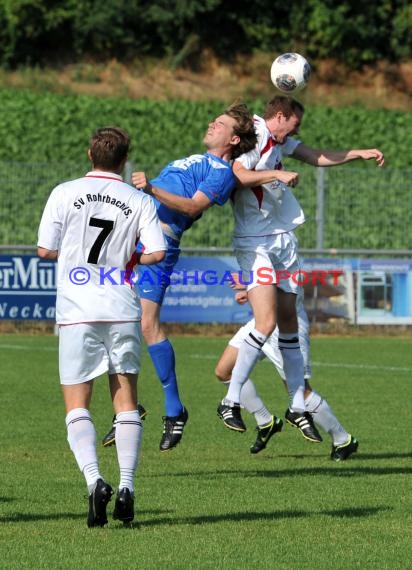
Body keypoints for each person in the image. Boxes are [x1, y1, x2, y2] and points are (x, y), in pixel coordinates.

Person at [217, 94, 384, 440]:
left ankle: (295, 404)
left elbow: (317, 157)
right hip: (255, 238)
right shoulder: (258, 135)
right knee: (266, 322)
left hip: (282, 239)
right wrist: (277, 172)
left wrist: (358, 153)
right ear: (280, 115)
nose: (297, 130)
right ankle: (231, 400)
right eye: (295, 122)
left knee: (288, 323)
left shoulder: (281, 141)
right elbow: (237, 175)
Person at [101, 101, 258, 452]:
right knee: (110, 322)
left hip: (159, 242)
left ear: (233, 140)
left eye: (219, 123)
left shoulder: (221, 172)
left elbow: (192, 207)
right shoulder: (192, 158)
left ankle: (172, 410)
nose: (211, 124)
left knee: (146, 325)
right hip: (130, 241)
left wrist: (151, 189)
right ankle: (131, 408)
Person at [37, 127, 167, 527]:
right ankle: (127, 485)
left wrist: (70, 256)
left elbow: (44, 249)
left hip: (77, 309)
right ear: (125, 160)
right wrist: (127, 260)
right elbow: (158, 252)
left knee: (78, 403)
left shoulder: (64, 191)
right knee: (125, 400)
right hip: (121, 307)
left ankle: (96, 482)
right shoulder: (138, 199)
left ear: (89, 153)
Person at [216, 278, 359, 461]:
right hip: (262, 321)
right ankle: (265, 421)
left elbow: (285, 282)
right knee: (224, 370)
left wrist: (248, 282)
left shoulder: (284, 251)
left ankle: (342, 439)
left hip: (287, 325)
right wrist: (253, 291)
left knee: (301, 391)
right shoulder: (267, 252)